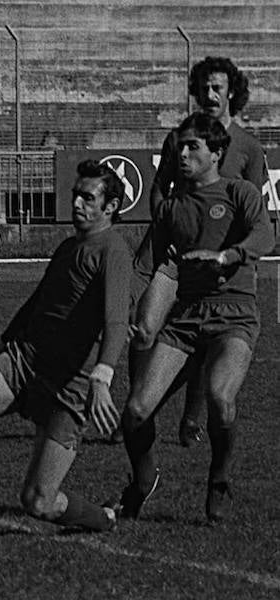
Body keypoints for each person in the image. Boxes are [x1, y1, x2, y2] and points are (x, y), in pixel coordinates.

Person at [0, 160, 131, 541]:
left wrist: (103, 375)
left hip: (70, 387)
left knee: (38, 502)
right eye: (75, 194)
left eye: (88, 197)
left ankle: (105, 518)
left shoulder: (113, 250)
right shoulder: (68, 247)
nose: (77, 203)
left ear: (110, 206)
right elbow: (35, 306)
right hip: (23, 362)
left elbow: (116, 319)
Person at [117, 113, 274, 524]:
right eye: (179, 147)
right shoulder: (172, 209)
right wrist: (118, 312)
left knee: (221, 399)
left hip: (234, 316)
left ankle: (218, 477)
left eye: (192, 147)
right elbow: (144, 266)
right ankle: (143, 476)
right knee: (134, 412)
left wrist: (227, 256)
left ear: (217, 153)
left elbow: (264, 235)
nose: (181, 154)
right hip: (185, 320)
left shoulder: (239, 193)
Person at [123, 56, 270, 448]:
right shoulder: (179, 138)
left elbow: (256, 209)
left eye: (217, 88)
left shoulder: (249, 148)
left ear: (232, 93)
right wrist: (165, 221)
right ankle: (137, 404)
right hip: (176, 256)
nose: (208, 95)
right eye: (203, 87)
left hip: (220, 264)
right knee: (144, 329)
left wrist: (234, 256)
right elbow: (160, 187)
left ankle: (191, 416)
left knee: (206, 336)